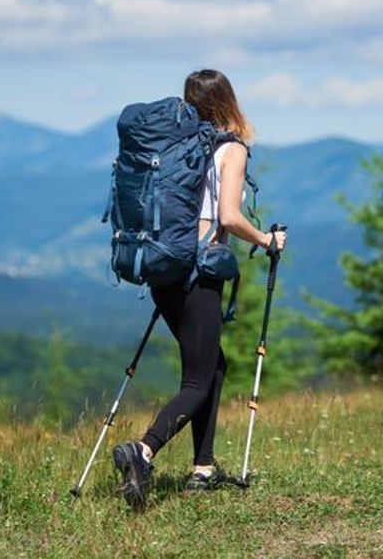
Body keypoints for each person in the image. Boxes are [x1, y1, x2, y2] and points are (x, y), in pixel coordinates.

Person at [112, 69, 287, 509]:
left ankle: (202, 468)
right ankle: (143, 451)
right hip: (199, 273)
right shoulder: (231, 149)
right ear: (229, 100)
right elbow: (228, 217)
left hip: (164, 271)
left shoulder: (178, 147)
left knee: (212, 367)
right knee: (198, 380)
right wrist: (266, 240)